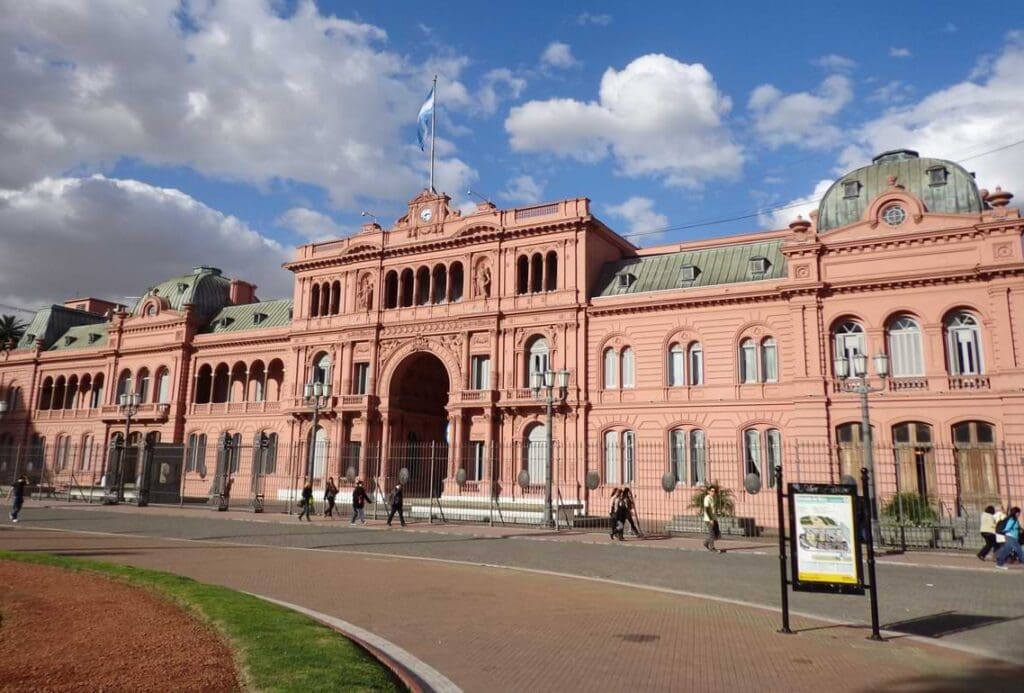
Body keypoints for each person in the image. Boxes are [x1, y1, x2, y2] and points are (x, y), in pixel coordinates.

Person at [703, 486, 723, 553]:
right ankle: (712, 548)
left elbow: (712, 509)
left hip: (714, 518)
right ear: (708, 491)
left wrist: (717, 513)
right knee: (712, 534)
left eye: (714, 491)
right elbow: (707, 509)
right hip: (709, 519)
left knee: (717, 534)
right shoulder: (707, 498)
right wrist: (711, 519)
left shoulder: (712, 498)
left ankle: (706, 542)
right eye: (712, 491)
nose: (713, 492)